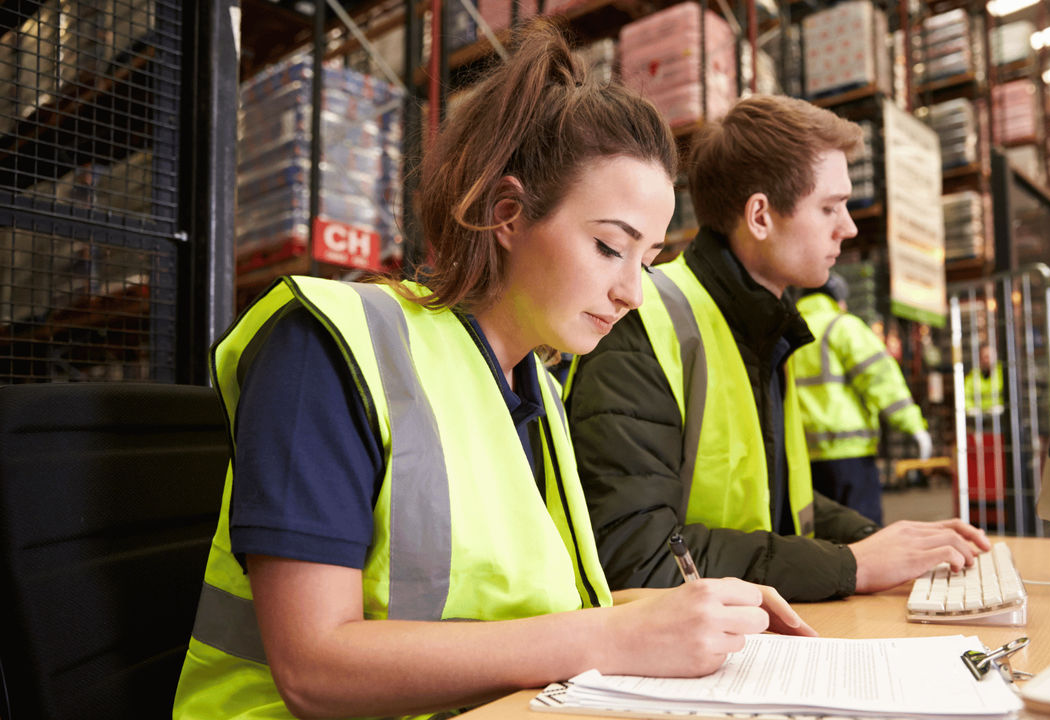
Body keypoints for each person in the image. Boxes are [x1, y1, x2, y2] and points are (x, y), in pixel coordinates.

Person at [172, 22, 815, 720]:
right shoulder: (330, 348)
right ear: (507, 215)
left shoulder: (534, 388)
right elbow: (313, 667)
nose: (634, 291)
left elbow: (536, 613)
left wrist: (691, 608)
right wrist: (611, 634)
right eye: (608, 247)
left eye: (650, 257)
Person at [564, 94, 989, 604]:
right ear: (761, 216)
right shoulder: (642, 322)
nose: (848, 227)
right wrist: (850, 564)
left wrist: (884, 542)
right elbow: (638, 556)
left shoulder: (765, 329)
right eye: (830, 207)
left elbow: (782, 508)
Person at [791, 272, 931, 525]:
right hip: (849, 453)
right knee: (861, 530)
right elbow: (879, 378)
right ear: (838, 300)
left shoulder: (786, 330)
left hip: (802, 457)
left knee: (819, 535)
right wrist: (914, 426)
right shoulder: (842, 326)